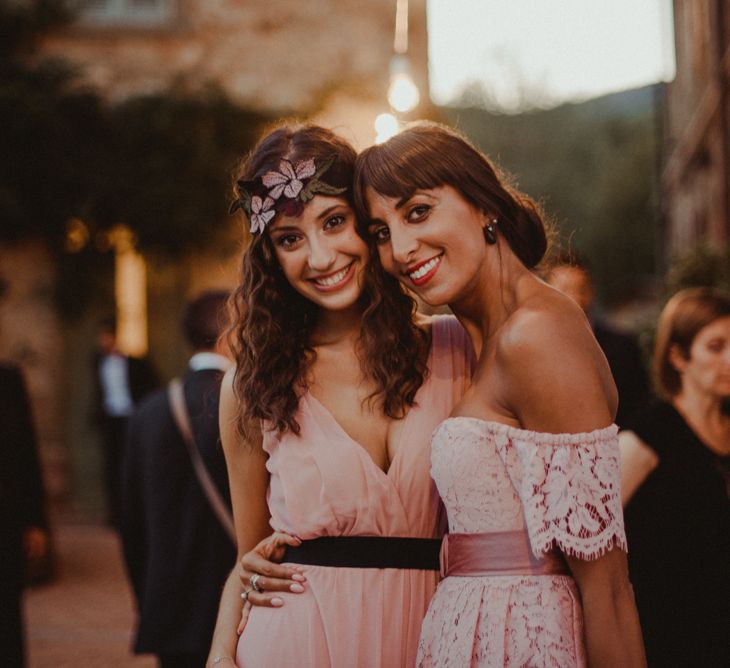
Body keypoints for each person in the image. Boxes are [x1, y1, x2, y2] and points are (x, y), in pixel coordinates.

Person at [353, 121, 645, 666]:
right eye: (380, 232)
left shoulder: (537, 333)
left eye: (417, 212)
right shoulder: (469, 341)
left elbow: (608, 588)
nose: (400, 249)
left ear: (485, 205)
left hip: (528, 644)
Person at [207, 124, 473, 668]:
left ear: (368, 222)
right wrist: (219, 654)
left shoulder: (457, 349)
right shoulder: (252, 386)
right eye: (290, 239)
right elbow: (251, 561)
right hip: (297, 643)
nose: (321, 257)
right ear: (270, 258)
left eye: (334, 222)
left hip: (438, 638)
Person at [120, 291, 235, 668]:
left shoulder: (147, 412)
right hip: (237, 607)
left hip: (169, 609)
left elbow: (131, 524)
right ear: (230, 334)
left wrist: (149, 597)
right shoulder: (250, 405)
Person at [619, 287, 730, 667]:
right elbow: (593, 530)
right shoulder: (651, 432)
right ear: (678, 356)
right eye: (716, 347)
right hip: (665, 637)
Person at [546, 252, 650, 427]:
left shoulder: (623, 346)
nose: (574, 298)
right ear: (547, 291)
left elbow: (639, 408)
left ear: (591, 291)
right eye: (564, 289)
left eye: (581, 289)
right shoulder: (536, 350)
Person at [0, 363, 50, 668]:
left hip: (5, 522)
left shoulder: (8, 381)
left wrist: (35, 520)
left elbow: (26, 449)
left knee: (6, 620)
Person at [93, 317, 159, 527]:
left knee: (130, 464)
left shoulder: (136, 363)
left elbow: (151, 385)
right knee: (111, 467)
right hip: (111, 420)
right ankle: (114, 513)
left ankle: (133, 512)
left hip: (130, 419)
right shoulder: (98, 363)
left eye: (107, 336)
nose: (104, 341)